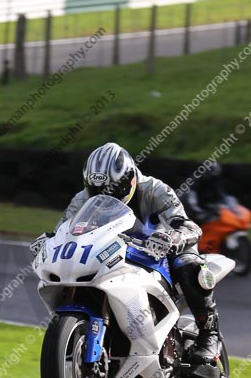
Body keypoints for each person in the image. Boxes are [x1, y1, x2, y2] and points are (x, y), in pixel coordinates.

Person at [30, 142, 220, 364]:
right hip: (114, 251)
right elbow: (65, 231)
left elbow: (189, 226)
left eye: (112, 189)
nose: (105, 196)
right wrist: (50, 240)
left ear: (129, 179)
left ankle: (210, 334)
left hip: (158, 251)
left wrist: (174, 237)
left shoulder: (155, 189)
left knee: (189, 265)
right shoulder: (81, 199)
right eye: (97, 191)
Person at [179, 160, 227, 226]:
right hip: (189, 211)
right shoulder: (193, 182)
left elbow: (221, 196)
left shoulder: (214, 182)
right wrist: (199, 212)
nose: (212, 178)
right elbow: (191, 199)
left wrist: (225, 205)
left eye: (214, 176)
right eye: (211, 176)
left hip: (204, 208)